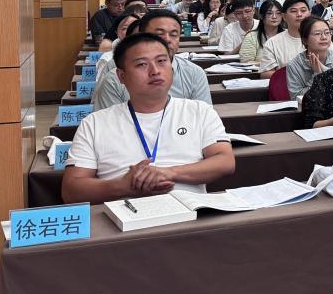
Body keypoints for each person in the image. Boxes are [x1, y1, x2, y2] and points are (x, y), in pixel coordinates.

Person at [61, 33, 235, 203]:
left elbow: (225, 161)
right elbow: (71, 190)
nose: (155, 71)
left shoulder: (199, 111)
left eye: (161, 61)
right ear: (121, 76)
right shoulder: (94, 123)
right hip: (124, 213)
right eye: (142, 64)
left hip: (190, 213)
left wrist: (169, 173)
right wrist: (123, 186)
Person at [92, 10, 212, 110]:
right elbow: (107, 125)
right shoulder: (115, 77)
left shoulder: (194, 73)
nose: (167, 39)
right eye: (159, 34)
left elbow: (204, 120)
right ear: (141, 36)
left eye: (174, 34)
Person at [285, 16, 333, 97]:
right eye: (317, 34)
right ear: (305, 40)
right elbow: (296, 97)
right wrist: (317, 76)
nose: (324, 37)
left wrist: (324, 71)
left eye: (327, 33)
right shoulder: (294, 65)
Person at [258, 0, 310, 77]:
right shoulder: (273, 43)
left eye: (303, 10)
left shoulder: (322, 38)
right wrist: (297, 74)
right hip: (286, 84)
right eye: (294, 11)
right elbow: (265, 74)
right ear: (284, 17)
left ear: (309, 14)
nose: (299, 14)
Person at [95, 13, 141, 82]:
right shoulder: (108, 59)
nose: (130, 31)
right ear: (116, 32)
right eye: (125, 28)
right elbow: (101, 86)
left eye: (134, 27)